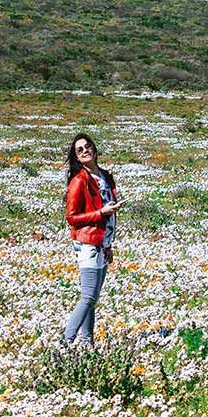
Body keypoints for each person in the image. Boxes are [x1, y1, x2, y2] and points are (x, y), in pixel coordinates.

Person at [62, 133, 124, 345]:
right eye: (80, 150)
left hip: (102, 243)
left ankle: (87, 343)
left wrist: (108, 243)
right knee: (88, 297)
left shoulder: (105, 176)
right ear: (77, 157)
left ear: (94, 149)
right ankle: (66, 342)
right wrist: (101, 213)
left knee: (92, 299)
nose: (85, 151)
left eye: (88, 146)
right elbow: (71, 217)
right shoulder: (78, 181)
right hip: (87, 243)